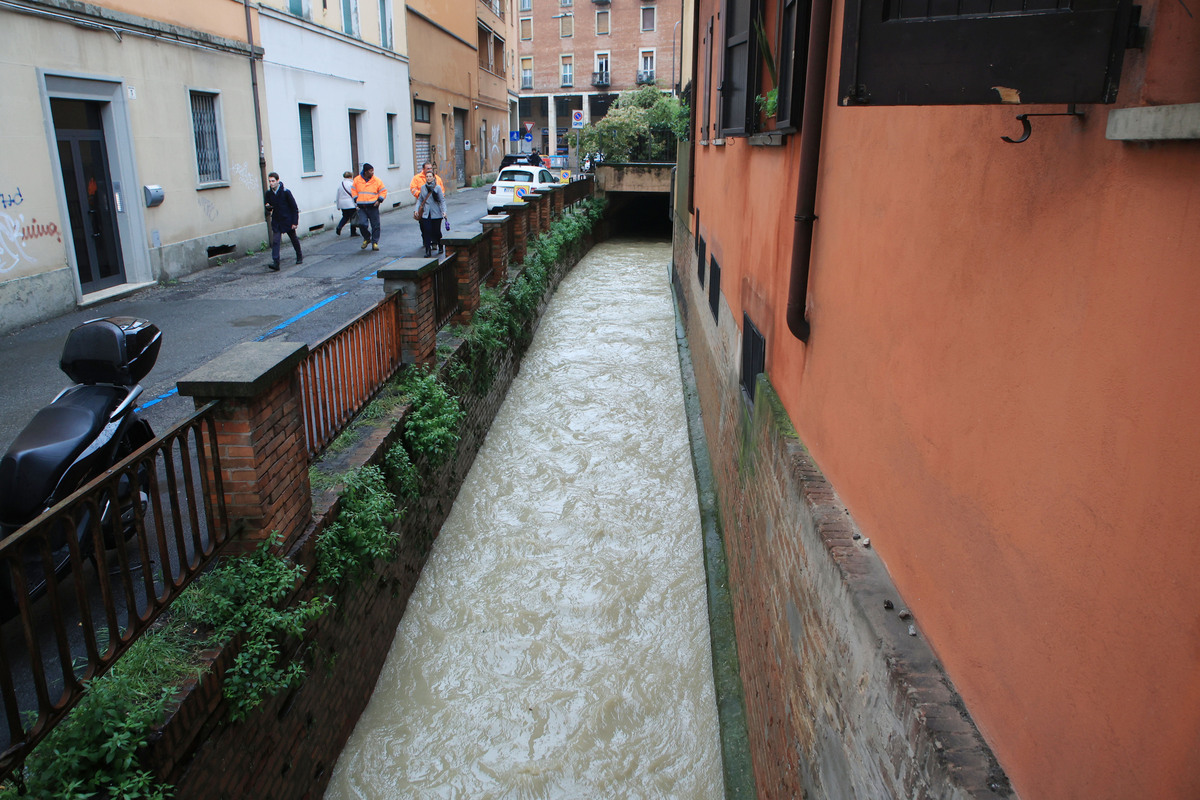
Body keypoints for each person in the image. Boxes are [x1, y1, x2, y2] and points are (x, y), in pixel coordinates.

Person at [263, 172, 302, 271]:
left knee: (293, 238)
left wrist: (294, 222)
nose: (271, 183)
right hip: (277, 220)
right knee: (276, 241)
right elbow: (268, 207)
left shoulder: (285, 192)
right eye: (270, 181)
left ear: (277, 181)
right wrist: (268, 207)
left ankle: (299, 255)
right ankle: (276, 262)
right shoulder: (269, 193)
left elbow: (294, 207)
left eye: (273, 181)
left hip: (287, 220)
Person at [409, 161, 445, 252]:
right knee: (426, 230)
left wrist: (444, 211)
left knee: (436, 231)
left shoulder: (438, 185)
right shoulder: (420, 184)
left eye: (430, 169)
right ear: (424, 170)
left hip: (436, 212)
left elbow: (442, 199)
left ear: (433, 177)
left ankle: (439, 244)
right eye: (427, 169)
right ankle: (428, 249)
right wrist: (416, 210)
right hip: (426, 212)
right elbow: (419, 199)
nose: (429, 178)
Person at [352, 163, 387, 251]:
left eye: (373, 170)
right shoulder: (357, 180)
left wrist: (379, 200)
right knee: (362, 224)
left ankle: (374, 242)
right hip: (362, 207)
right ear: (366, 172)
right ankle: (367, 238)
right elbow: (353, 190)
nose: (373, 172)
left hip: (373, 206)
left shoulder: (377, 180)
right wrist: (356, 199)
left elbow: (383, 191)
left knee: (375, 225)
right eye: (371, 171)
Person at [334, 171, 358, 236]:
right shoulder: (351, 184)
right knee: (353, 218)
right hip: (350, 204)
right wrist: (356, 204)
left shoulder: (341, 184)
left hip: (342, 204)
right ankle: (353, 232)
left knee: (345, 217)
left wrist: (338, 206)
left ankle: (339, 227)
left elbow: (337, 196)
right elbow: (354, 195)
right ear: (351, 176)